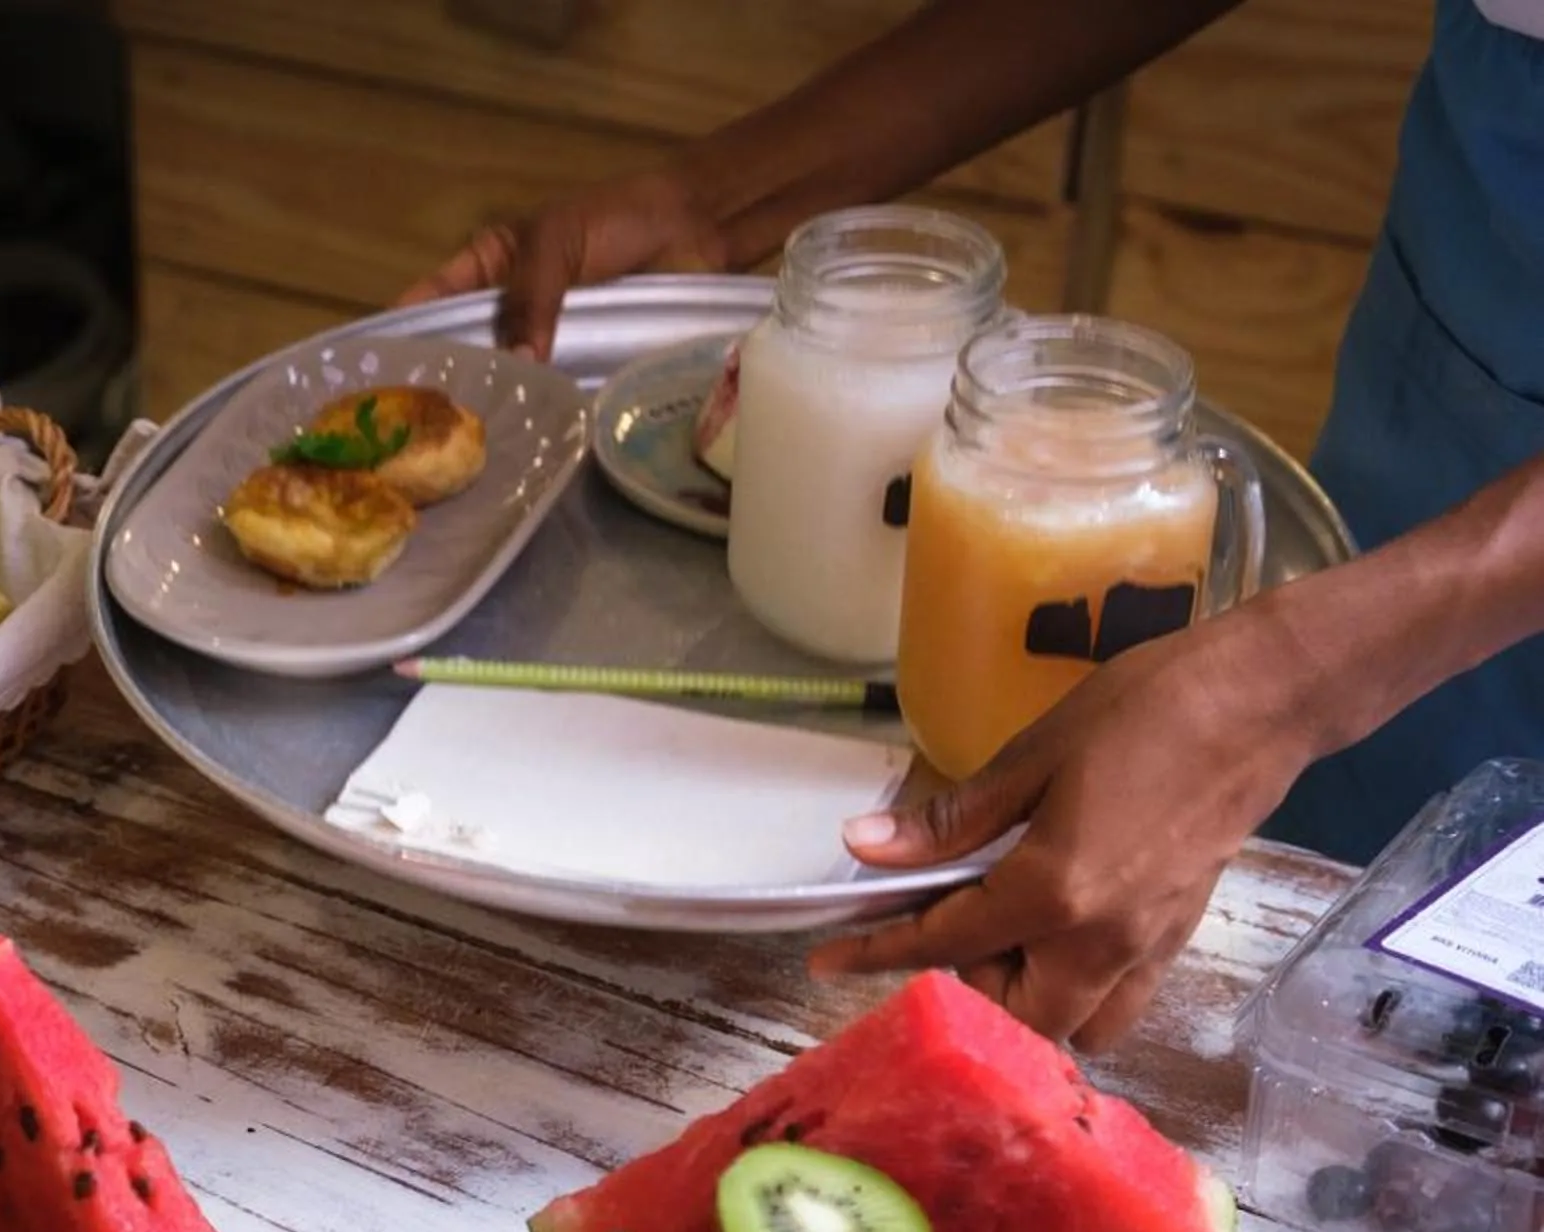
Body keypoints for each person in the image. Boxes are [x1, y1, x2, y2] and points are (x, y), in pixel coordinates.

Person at [400, 0, 1544, 1052]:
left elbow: (1286, 677)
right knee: (1342, 987)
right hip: (1483, 255)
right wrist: (718, 200)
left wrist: (1285, 675)